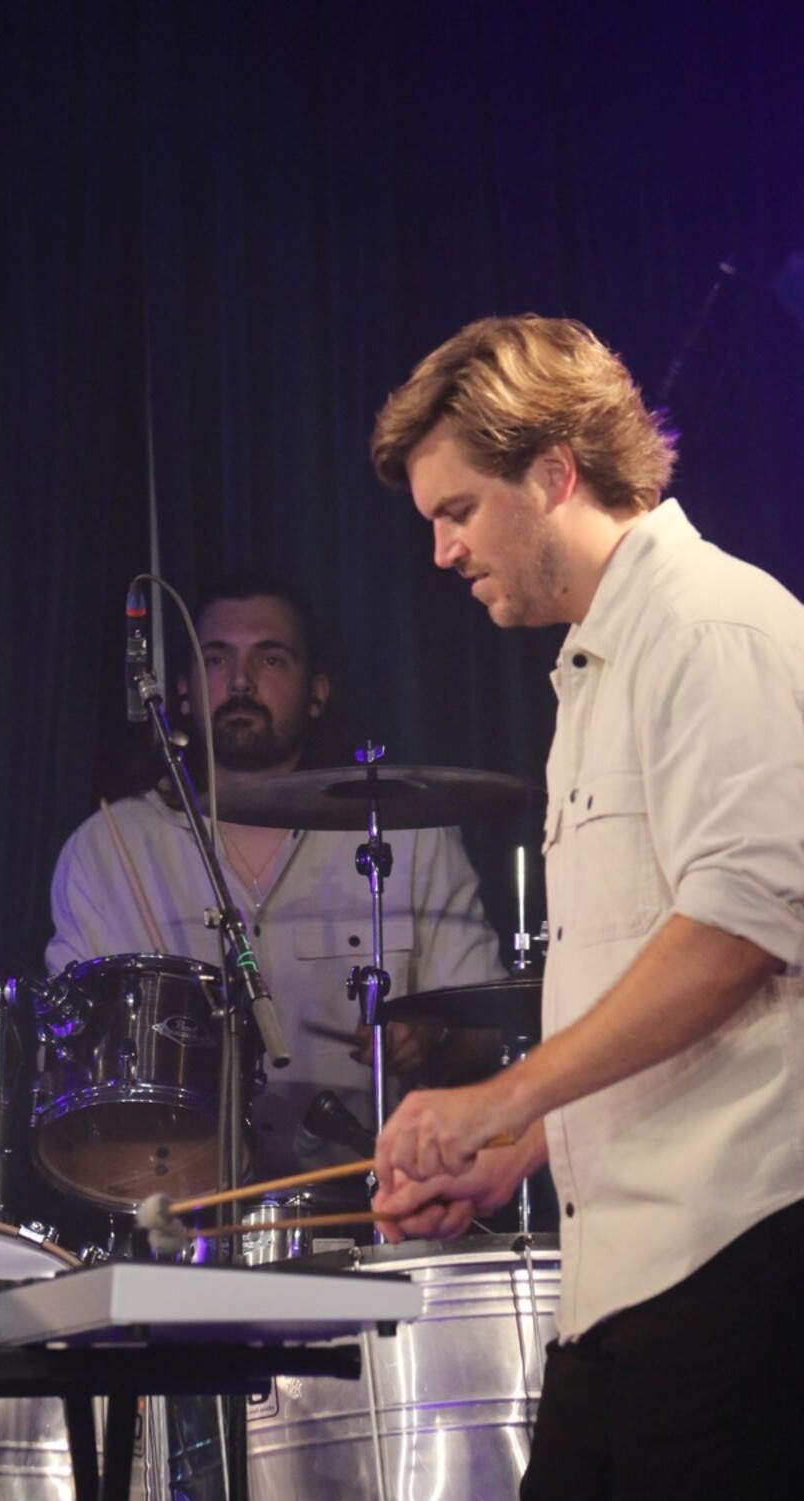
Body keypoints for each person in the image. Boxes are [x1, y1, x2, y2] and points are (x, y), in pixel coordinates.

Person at [368, 314, 804, 1499]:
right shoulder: (598, 664)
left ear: (553, 473)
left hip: (738, 1265)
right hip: (626, 1282)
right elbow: (642, 971)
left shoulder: (711, 627)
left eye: (458, 511)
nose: (443, 552)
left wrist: (503, 1094)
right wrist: (519, 1150)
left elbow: (739, 930)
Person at [46, 573, 506, 1186]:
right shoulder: (107, 849)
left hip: (372, 1205)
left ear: (317, 691)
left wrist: (433, 1034)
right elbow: (70, 1059)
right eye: (216, 659)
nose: (240, 682)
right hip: (174, 1207)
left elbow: (486, 1033)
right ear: (181, 690)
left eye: (271, 659)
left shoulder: (408, 834)